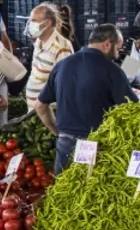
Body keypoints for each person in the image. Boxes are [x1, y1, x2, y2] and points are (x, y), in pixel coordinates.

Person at [37, 24, 138, 173]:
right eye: (117, 49)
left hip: (65, 142)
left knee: (62, 192)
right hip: (96, 145)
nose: (117, 55)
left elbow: (40, 106)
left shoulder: (62, 65)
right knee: (89, 191)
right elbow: (132, 110)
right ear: (107, 44)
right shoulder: (112, 70)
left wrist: (57, 132)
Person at [24, 3, 74, 111]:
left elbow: (64, 84)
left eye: (34, 20)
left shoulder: (62, 47)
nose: (29, 24)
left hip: (49, 111)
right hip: (33, 109)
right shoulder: (39, 40)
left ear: (48, 23)